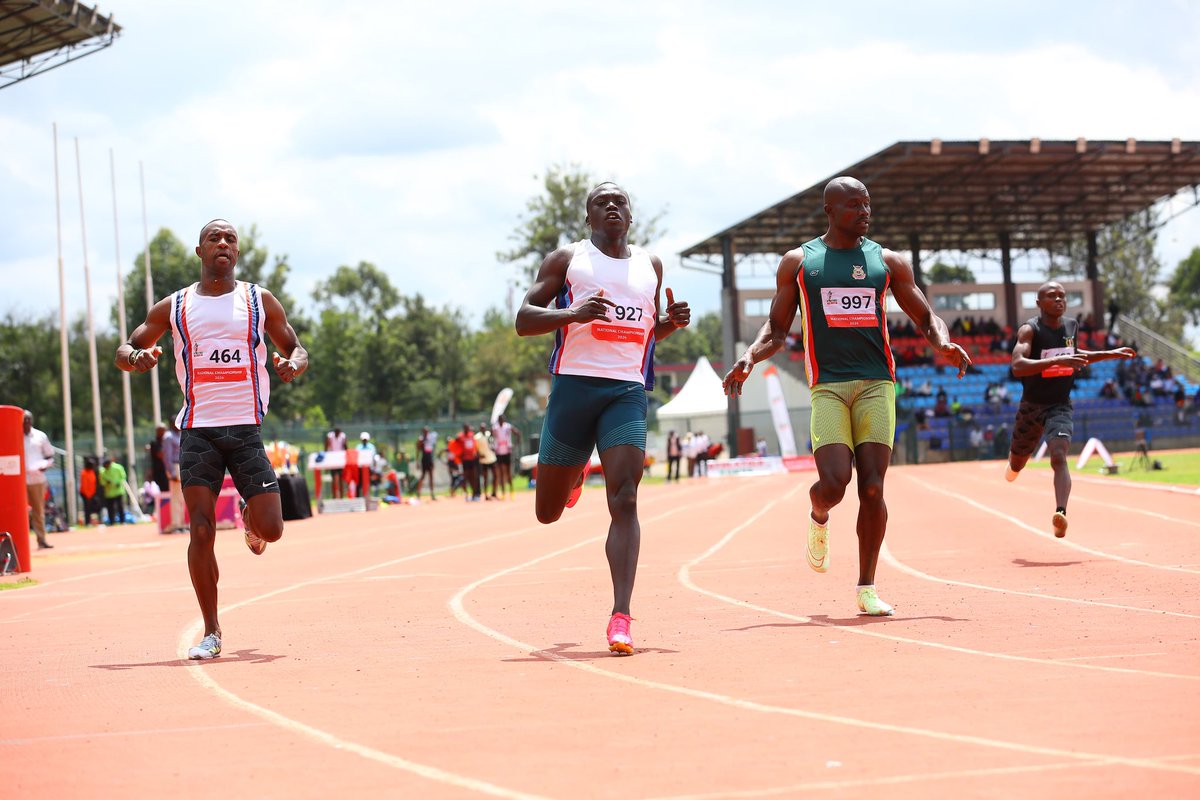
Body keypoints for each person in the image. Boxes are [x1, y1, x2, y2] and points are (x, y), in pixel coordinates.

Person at [722, 176, 971, 616]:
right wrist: (750, 357)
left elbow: (925, 314)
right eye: (855, 205)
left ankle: (866, 587)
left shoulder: (886, 261)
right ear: (830, 211)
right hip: (829, 387)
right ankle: (819, 516)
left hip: (877, 382)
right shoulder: (800, 262)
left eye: (868, 204)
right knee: (835, 485)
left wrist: (942, 342)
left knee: (873, 489)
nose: (865, 212)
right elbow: (778, 329)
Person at [116, 218, 308, 660]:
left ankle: (249, 515)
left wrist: (293, 365)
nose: (222, 243)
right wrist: (138, 359)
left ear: (237, 253)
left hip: (245, 429)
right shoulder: (176, 305)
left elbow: (296, 348)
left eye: (230, 239)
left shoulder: (259, 302)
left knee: (273, 530)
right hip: (198, 429)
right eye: (213, 238)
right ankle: (212, 631)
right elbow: (125, 348)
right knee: (200, 529)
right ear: (200, 251)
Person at [515, 181, 690, 654]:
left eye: (620, 202)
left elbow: (645, 332)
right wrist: (571, 313)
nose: (612, 207)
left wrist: (670, 322)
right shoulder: (566, 260)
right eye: (601, 203)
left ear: (631, 216)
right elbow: (524, 319)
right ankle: (572, 477)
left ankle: (621, 616)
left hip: (626, 392)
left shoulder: (649, 265)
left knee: (626, 498)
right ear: (589, 217)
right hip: (573, 388)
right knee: (547, 514)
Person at [1003, 281, 1136, 538]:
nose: (1059, 300)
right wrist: (1058, 360)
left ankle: (1060, 512)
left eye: (1062, 296)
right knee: (1016, 466)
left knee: (1059, 456)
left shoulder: (1071, 326)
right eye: (1052, 296)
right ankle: (1015, 463)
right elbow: (1017, 365)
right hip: (1032, 405)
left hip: (1060, 405)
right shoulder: (1030, 330)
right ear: (1039, 303)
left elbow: (1075, 353)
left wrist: (1111, 353)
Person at [23, 410, 55, 549]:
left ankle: (41, 540)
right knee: (19, 511)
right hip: (19, 480)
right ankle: (18, 542)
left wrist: (44, 467)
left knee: (38, 510)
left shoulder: (40, 436)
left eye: (29, 419)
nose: (27, 422)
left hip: (37, 479)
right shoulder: (15, 435)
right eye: (24, 420)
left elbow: (49, 456)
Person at [161, 420, 186, 533]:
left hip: (182, 465)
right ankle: (176, 524)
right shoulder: (168, 437)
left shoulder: (181, 434)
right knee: (176, 496)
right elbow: (167, 456)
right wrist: (172, 472)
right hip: (175, 466)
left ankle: (182, 523)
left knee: (183, 497)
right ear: (171, 424)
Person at [491, 414, 521, 500]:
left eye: (502, 419)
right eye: (499, 419)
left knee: (508, 473)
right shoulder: (495, 428)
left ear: (504, 420)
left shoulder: (508, 426)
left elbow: (517, 433)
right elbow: (490, 437)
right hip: (499, 452)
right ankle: (503, 493)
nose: (501, 421)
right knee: (501, 473)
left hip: (507, 451)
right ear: (498, 420)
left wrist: (515, 444)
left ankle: (511, 491)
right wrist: (493, 446)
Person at [99, 455, 127, 526]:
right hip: (109, 493)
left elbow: (123, 476)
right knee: (110, 508)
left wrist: (118, 482)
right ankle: (112, 522)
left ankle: (122, 521)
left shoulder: (118, 467)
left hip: (118, 491)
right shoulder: (102, 471)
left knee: (120, 506)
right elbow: (101, 481)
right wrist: (106, 483)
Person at [476, 422, 498, 500]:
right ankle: (485, 494)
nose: (483, 429)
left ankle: (494, 492)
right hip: (484, 460)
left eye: (484, 427)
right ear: (480, 428)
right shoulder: (477, 437)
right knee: (485, 478)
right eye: (482, 428)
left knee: (496, 475)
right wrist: (479, 455)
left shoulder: (489, 434)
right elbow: (475, 449)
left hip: (492, 458)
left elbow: (492, 443)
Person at [79, 455, 101, 527]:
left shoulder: (91, 472)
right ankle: (87, 522)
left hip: (91, 493)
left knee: (94, 507)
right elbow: (85, 485)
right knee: (87, 508)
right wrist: (88, 495)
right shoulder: (84, 473)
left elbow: (93, 483)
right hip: (85, 494)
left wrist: (92, 493)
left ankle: (92, 521)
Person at [416, 426, 437, 501]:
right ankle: (418, 493)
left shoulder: (430, 438)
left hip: (430, 458)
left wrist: (433, 460)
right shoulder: (421, 439)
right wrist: (417, 461)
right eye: (425, 431)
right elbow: (418, 450)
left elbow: (432, 449)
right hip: (424, 459)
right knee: (422, 476)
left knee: (431, 476)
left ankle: (432, 493)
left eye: (427, 431)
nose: (426, 433)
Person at [325, 427, 347, 498]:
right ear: (334, 433)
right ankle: (334, 496)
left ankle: (341, 496)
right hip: (333, 459)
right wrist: (326, 459)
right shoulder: (330, 436)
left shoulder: (343, 436)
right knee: (334, 479)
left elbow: (345, 446)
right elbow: (327, 446)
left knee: (341, 479)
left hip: (341, 459)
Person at [147, 423, 169, 493]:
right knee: (164, 491)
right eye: (163, 430)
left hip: (167, 471)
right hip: (159, 472)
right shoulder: (154, 442)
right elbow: (160, 455)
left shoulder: (165, 441)